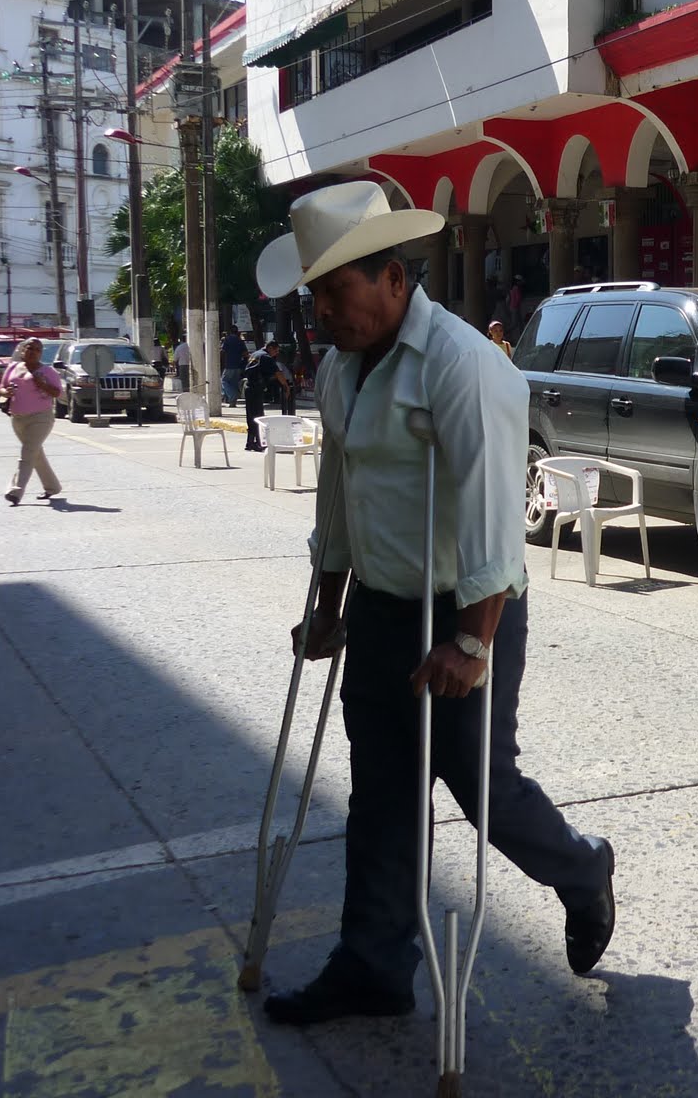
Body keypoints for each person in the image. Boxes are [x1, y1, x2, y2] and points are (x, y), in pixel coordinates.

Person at [252, 181, 616, 1026]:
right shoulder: (342, 371)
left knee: (478, 784)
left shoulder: (462, 364)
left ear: (390, 278)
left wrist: (474, 644)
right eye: (316, 297)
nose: (325, 314)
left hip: (466, 607)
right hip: (383, 608)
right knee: (382, 790)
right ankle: (373, 966)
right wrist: (331, 602)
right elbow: (337, 498)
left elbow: (494, 520)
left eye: (338, 294)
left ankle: (582, 868)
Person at [0, 337, 63, 505]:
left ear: (41, 353)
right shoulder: (13, 367)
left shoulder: (48, 372)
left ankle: (15, 491)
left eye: (37, 349)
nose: (33, 352)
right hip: (18, 418)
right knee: (35, 454)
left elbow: (57, 393)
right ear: (22, 350)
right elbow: (1, 387)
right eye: (29, 348)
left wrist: (42, 384)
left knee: (27, 453)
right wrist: (6, 392)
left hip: (41, 418)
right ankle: (52, 487)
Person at [242, 341, 293, 452]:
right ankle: (259, 443)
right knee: (258, 416)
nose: (276, 353)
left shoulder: (255, 354)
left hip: (249, 387)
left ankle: (250, 442)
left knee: (251, 415)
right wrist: (286, 386)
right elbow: (278, 373)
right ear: (270, 348)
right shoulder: (266, 357)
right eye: (276, 350)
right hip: (255, 388)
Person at [220, 326, 249, 407]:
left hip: (229, 364)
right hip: (238, 365)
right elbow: (245, 353)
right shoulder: (240, 341)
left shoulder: (227, 339)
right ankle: (233, 402)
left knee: (224, 381)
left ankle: (233, 395)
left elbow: (223, 351)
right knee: (233, 383)